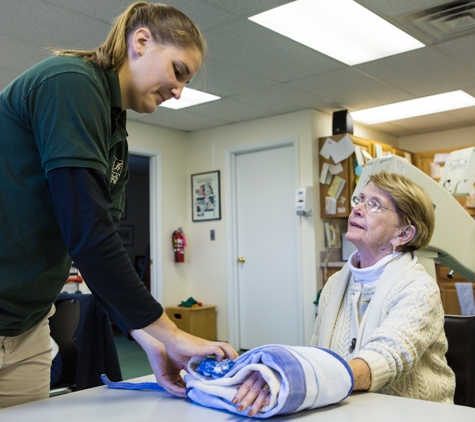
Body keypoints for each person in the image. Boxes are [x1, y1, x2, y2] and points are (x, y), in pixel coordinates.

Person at [0, 1, 237, 408]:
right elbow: (87, 231)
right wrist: (173, 332)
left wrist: (153, 344)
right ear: (141, 42)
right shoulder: (70, 81)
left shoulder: (116, 139)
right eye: (178, 71)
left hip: (29, 325)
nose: (179, 92)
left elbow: (99, 252)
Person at [233, 171, 455, 417]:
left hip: (417, 414)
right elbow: (317, 352)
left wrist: (299, 378)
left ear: (403, 234)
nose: (358, 209)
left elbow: (386, 358)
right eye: (359, 200)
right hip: (351, 409)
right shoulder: (336, 283)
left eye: (374, 205)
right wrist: (280, 373)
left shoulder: (418, 287)